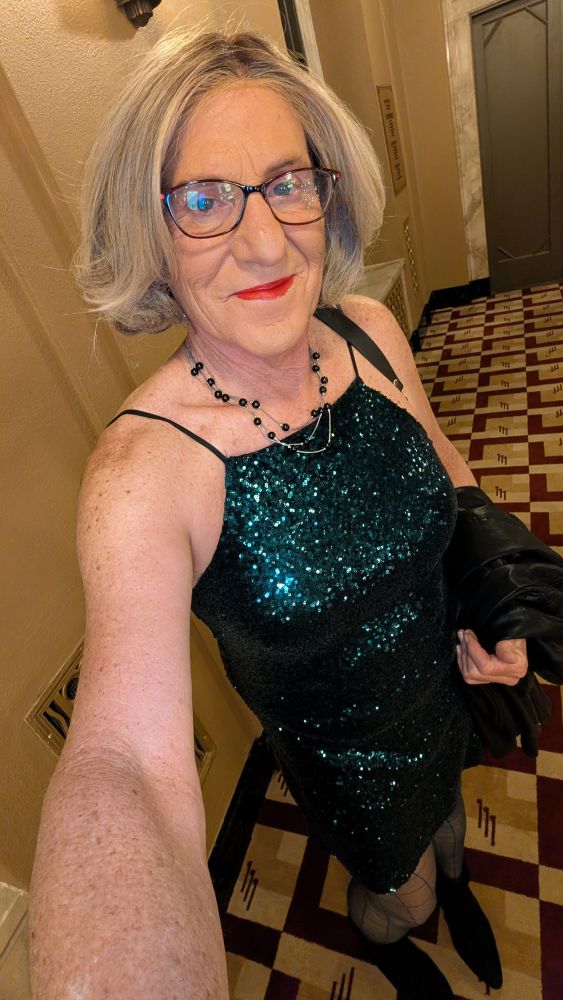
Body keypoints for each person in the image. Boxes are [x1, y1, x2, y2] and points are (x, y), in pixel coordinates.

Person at [28, 27, 529, 999]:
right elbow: (126, 762)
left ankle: (451, 885)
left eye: (287, 183)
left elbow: (447, 470)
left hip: (444, 688)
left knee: (448, 837)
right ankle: (388, 934)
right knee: (401, 893)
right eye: (204, 200)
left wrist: (494, 600)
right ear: (148, 232)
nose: (266, 242)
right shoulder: (142, 473)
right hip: (349, 767)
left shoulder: (369, 331)